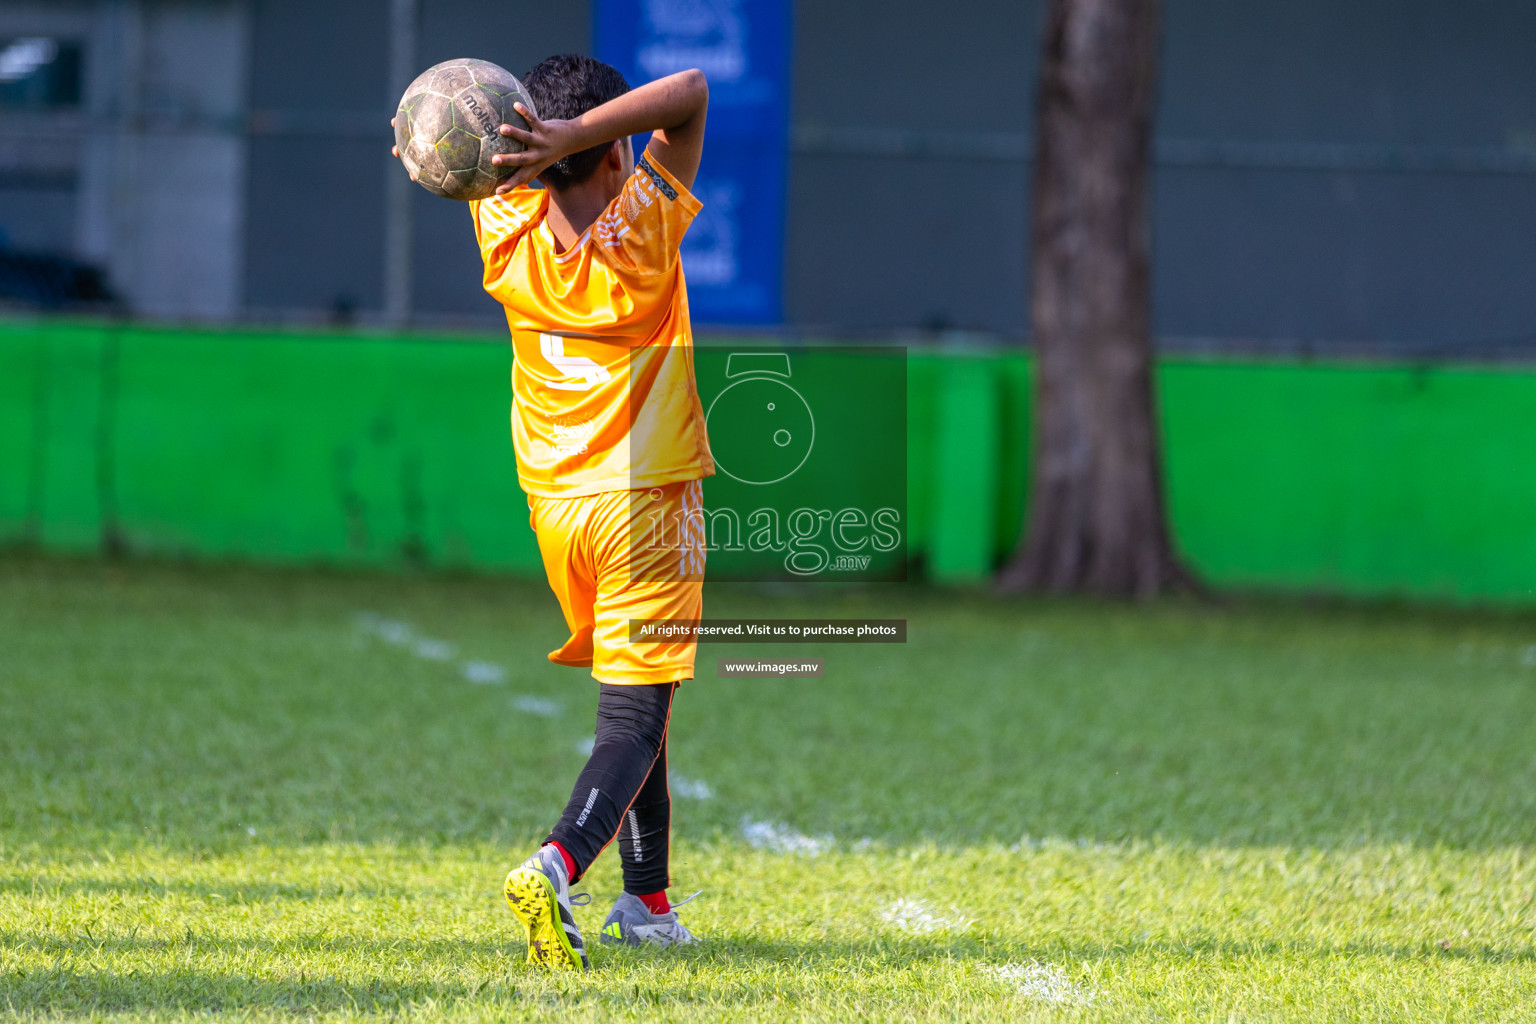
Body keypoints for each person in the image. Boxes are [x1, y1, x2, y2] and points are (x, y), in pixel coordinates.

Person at [397, 54, 712, 971]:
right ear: (612, 155)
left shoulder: (505, 222)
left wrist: (438, 144)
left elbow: (463, 150)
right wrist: (580, 132)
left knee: (643, 699)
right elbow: (689, 91)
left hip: (556, 511)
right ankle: (556, 862)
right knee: (633, 723)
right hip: (645, 503)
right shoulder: (644, 229)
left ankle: (647, 901)